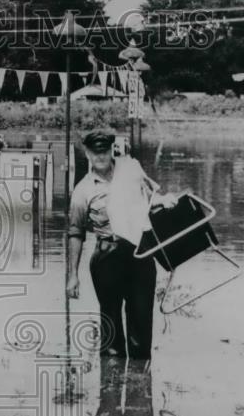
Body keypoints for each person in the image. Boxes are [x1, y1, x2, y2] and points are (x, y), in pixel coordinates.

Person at [67, 130, 178, 358]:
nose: (100, 157)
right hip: (108, 256)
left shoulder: (131, 170)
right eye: (95, 152)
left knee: (141, 319)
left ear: (111, 150)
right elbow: (76, 233)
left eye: (104, 151)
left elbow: (149, 197)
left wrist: (164, 201)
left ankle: (140, 378)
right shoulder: (83, 190)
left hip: (140, 254)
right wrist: (72, 276)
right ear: (87, 153)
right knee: (110, 323)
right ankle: (111, 383)